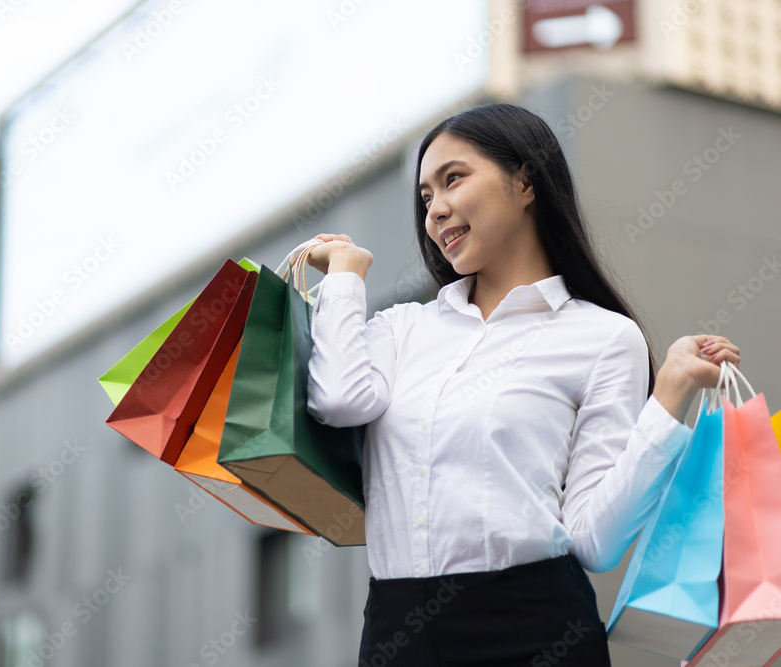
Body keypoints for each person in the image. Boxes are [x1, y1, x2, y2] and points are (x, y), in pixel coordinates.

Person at [302, 103, 740, 667]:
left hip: (535, 627)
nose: (435, 210)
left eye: (453, 179)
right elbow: (336, 400)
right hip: (396, 629)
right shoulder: (400, 329)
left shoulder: (603, 338)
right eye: (426, 197)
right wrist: (344, 274)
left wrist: (670, 394)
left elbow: (595, 541)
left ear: (525, 180)